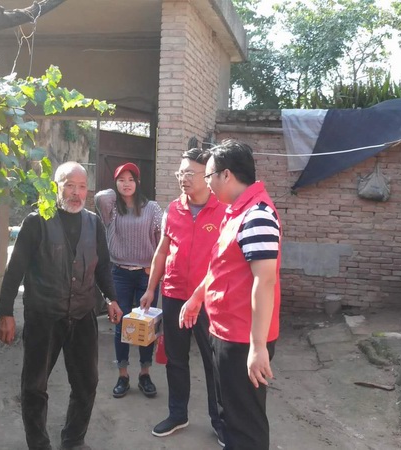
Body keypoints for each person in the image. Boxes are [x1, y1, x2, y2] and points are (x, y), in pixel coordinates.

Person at [0, 162, 123, 450]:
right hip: (44, 316)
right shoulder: (36, 222)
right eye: (69, 186)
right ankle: (39, 444)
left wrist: (112, 298)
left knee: (86, 383)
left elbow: (103, 266)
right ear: (56, 187)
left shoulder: (94, 223)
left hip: (82, 315)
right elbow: (15, 270)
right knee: (34, 386)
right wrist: (5, 313)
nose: (76, 193)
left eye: (82, 187)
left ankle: (74, 440)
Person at [180, 140, 282, 450]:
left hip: (243, 338)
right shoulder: (236, 212)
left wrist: (258, 346)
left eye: (209, 175)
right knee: (229, 415)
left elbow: (264, 281)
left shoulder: (258, 215)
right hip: (224, 332)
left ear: (226, 175)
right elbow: (222, 267)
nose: (207, 184)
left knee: (245, 422)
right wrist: (197, 297)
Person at [139, 148, 225, 444]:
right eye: (181, 172)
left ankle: (220, 420)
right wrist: (151, 288)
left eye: (189, 173)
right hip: (174, 295)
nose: (183, 178)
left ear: (207, 175)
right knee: (175, 359)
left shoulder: (223, 210)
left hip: (208, 300)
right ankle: (178, 414)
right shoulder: (173, 209)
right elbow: (162, 252)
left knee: (213, 361)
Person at [95, 162, 164, 399]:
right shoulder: (112, 209)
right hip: (120, 274)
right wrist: (116, 191)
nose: (126, 184)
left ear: (138, 182)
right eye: (121, 180)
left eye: (131, 179)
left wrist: (154, 268)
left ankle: (145, 373)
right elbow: (100, 197)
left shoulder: (152, 208)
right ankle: (123, 375)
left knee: (147, 325)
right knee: (122, 324)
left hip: (146, 274)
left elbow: (162, 240)